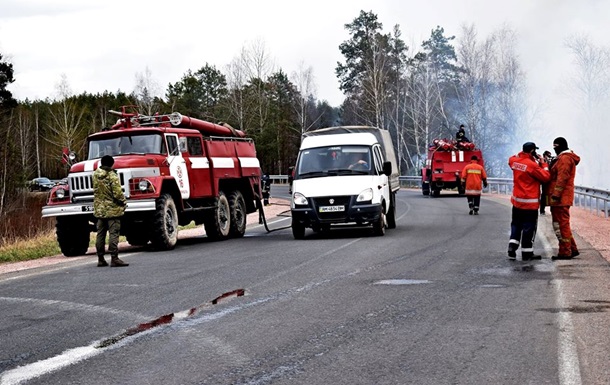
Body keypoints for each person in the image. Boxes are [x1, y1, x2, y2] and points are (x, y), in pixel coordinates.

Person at [507, 142, 550, 261]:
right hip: (530, 204)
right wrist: (543, 163)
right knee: (529, 228)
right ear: (532, 151)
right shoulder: (532, 166)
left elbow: (511, 159)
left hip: (517, 202)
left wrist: (523, 155)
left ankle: (512, 247)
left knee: (515, 225)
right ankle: (527, 252)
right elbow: (546, 177)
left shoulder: (514, 161)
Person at [547, 137, 581, 260]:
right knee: (561, 224)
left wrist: (556, 194)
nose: (554, 149)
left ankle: (565, 252)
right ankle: (572, 248)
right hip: (560, 198)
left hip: (560, 199)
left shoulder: (565, 159)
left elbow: (562, 178)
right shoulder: (562, 158)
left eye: (555, 146)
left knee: (561, 225)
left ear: (560, 146)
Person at [93, 155, 129, 267]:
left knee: (100, 235)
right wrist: (124, 202)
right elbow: (117, 193)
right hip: (112, 210)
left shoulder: (95, 175)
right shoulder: (112, 176)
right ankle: (114, 258)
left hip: (99, 209)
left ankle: (100, 258)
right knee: (113, 233)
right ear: (111, 164)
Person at [539, 150, 554, 215]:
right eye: (547, 155)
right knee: (544, 195)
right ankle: (542, 210)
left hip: (551, 181)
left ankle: (552, 209)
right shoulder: (541, 162)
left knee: (552, 195)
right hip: (544, 181)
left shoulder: (552, 161)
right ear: (544, 156)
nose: (548, 157)